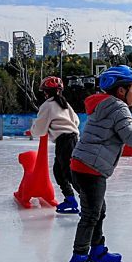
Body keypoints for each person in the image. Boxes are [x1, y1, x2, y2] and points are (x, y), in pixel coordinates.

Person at [67, 65, 132, 262]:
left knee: (98, 211)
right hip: (90, 168)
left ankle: (97, 251)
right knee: (91, 215)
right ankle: (79, 261)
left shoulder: (105, 106)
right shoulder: (118, 108)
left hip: (82, 165)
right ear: (121, 91)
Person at [30, 76, 82, 214]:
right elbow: (76, 121)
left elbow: (40, 129)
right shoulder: (65, 104)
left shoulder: (47, 105)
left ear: (46, 92)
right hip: (72, 138)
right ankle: (70, 199)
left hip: (65, 141)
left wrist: (32, 131)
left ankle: (88, 202)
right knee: (59, 171)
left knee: (69, 174)